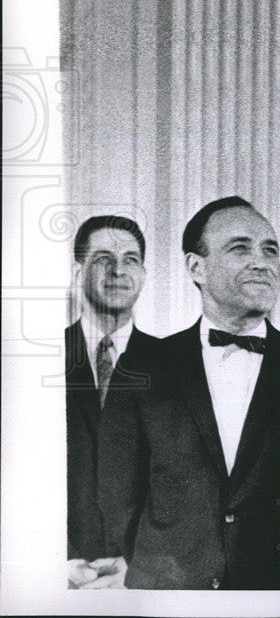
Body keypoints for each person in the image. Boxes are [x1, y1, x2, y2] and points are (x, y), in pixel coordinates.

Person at [99, 197, 280, 589]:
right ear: (197, 267)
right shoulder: (142, 369)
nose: (262, 262)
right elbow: (117, 498)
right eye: (240, 248)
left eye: (270, 250)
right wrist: (169, 573)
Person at [66, 215, 158, 589]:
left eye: (131, 259)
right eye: (103, 258)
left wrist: (140, 565)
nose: (118, 270)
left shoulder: (175, 365)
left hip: (144, 580)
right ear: (78, 273)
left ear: (144, 274)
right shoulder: (36, 357)